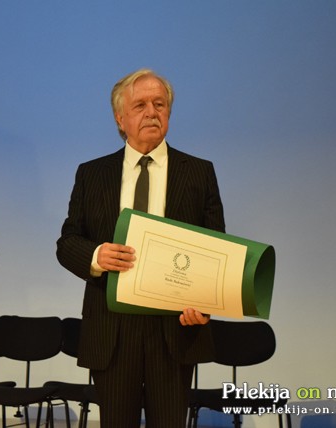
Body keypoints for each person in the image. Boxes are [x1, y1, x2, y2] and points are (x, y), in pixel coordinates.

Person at [56, 69, 225, 427]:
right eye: (140, 105)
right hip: (112, 329)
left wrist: (205, 305)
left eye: (159, 104)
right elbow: (68, 242)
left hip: (174, 328)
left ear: (169, 113)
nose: (152, 112)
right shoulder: (92, 174)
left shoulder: (199, 172)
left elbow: (216, 252)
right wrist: (96, 256)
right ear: (120, 118)